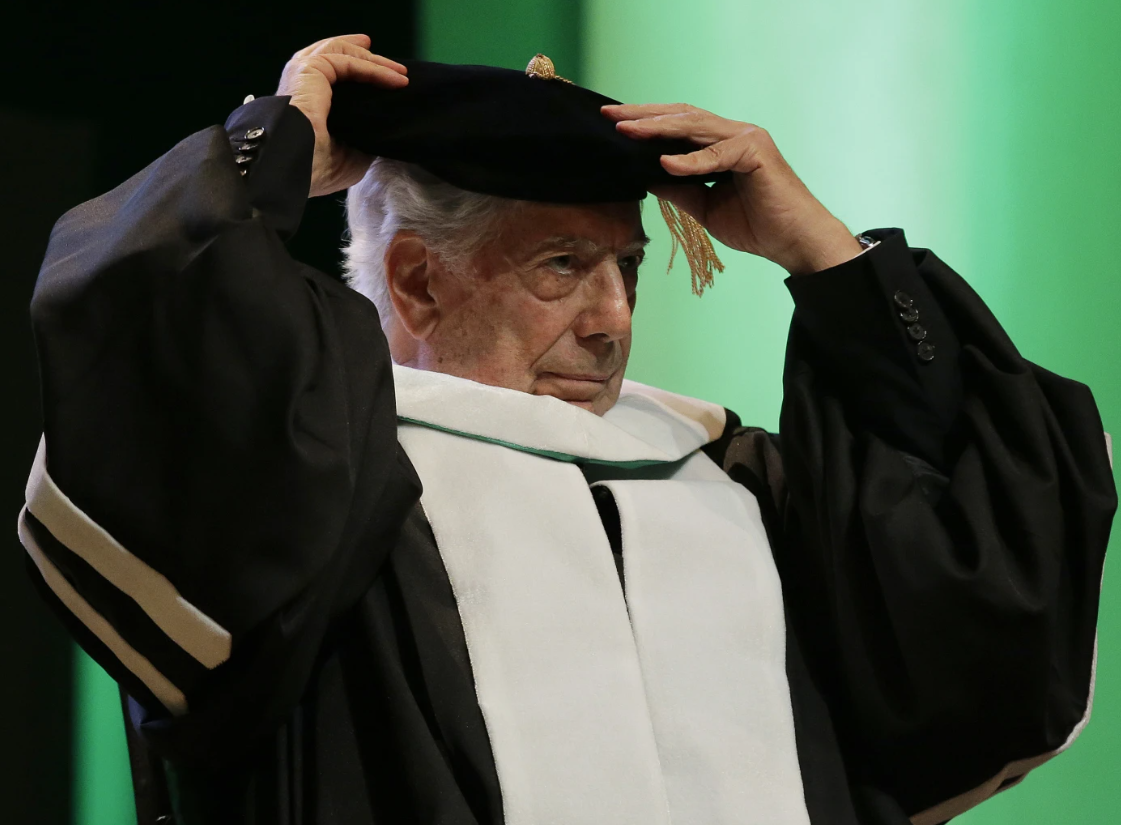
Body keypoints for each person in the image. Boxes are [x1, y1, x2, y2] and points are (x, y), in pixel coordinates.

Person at [17, 33, 1115, 825]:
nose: (612, 321)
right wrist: (271, 153)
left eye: (626, 268)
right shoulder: (319, 489)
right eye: (561, 268)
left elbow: (975, 532)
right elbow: (152, 338)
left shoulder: (727, 483)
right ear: (415, 279)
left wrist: (821, 258)